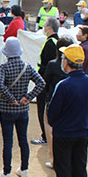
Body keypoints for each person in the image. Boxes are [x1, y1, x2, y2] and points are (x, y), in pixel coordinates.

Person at [42, 44, 88, 177]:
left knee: (63, 169)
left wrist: (56, 123)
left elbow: (52, 113)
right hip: (82, 131)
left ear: (67, 62)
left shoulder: (63, 85)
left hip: (64, 133)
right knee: (80, 168)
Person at [0, 37, 45, 177]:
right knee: (23, 140)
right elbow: (41, 83)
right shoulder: (27, 67)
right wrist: (28, 97)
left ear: (6, 53)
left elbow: (0, 85)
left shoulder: (3, 68)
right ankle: (24, 169)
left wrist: (11, 98)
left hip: (7, 109)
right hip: (23, 110)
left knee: (8, 142)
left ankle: (6, 172)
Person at [42, 36, 75, 169]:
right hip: (70, 103)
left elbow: (45, 82)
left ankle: (53, 159)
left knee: (50, 130)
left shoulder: (53, 64)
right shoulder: (75, 67)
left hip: (52, 101)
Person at [32, 17, 59, 146]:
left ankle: (45, 135)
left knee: (42, 109)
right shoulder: (56, 41)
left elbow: (47, 65)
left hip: (45, 81)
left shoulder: (50, 43)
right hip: (52, 81)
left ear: (49, 28)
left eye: (45, 25)